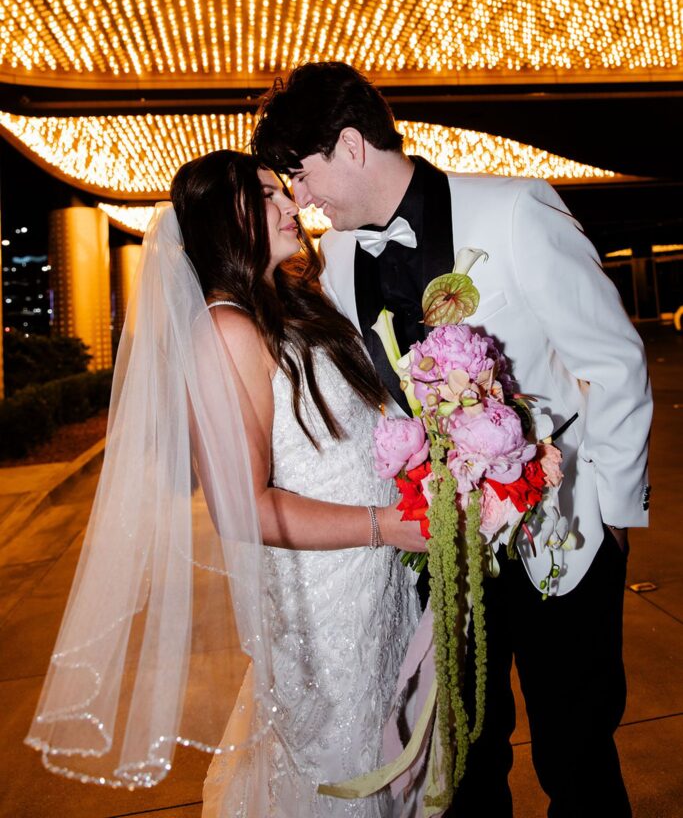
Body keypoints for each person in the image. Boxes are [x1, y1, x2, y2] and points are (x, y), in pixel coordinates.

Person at [251, 61, 653, 818]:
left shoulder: (513, 210)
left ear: (349, 145)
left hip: (560, 540)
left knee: (577, 755)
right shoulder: (333, 262)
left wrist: (613, 512)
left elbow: (615, 363)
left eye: (300, 176)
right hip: (437, 552)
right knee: (465, 758)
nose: (300, 199)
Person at [26, 149, 423, 817]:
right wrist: (387, 525)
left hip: (372, 584)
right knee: (337, 772)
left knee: (385, 760)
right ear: (223, 220)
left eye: (282, 192)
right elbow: (244, 509)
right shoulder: (226, 330)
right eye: (267, 197)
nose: (291, 206)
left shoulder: (295, 303)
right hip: (321, 603)